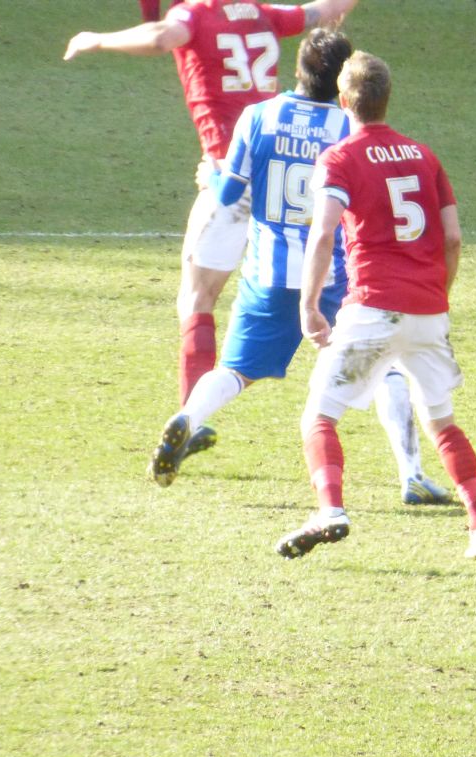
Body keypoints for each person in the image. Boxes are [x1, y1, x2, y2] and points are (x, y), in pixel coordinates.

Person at [147, 29, 451, 506]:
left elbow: (229, 197)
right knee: (386, 367)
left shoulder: (258, 116)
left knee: (235, 370)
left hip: (268, 273)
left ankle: (188, 417)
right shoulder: (349, 129)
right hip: (333, 277)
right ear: (344, 81)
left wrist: (214, 175)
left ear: (298, 70)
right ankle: (411, 473)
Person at [63, 0, 360, 443]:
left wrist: (98, 39)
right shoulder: (264, 13)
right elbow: (321, 11)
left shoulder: (195, 15)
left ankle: (191, 417)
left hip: (230, 174)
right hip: (281, 171)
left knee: (198, 298)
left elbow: (163, 37)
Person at [277, 51, 476, 563]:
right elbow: (452, 238)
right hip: (427, 312)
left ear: (343, 101)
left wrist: (310, 304)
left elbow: (323, 231)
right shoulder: (425, 156)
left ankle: (330, 509)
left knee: (319, 416)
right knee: (442, 422)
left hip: (371, 310)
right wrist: (439, 295)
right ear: (386, 99)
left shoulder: (340, 157)